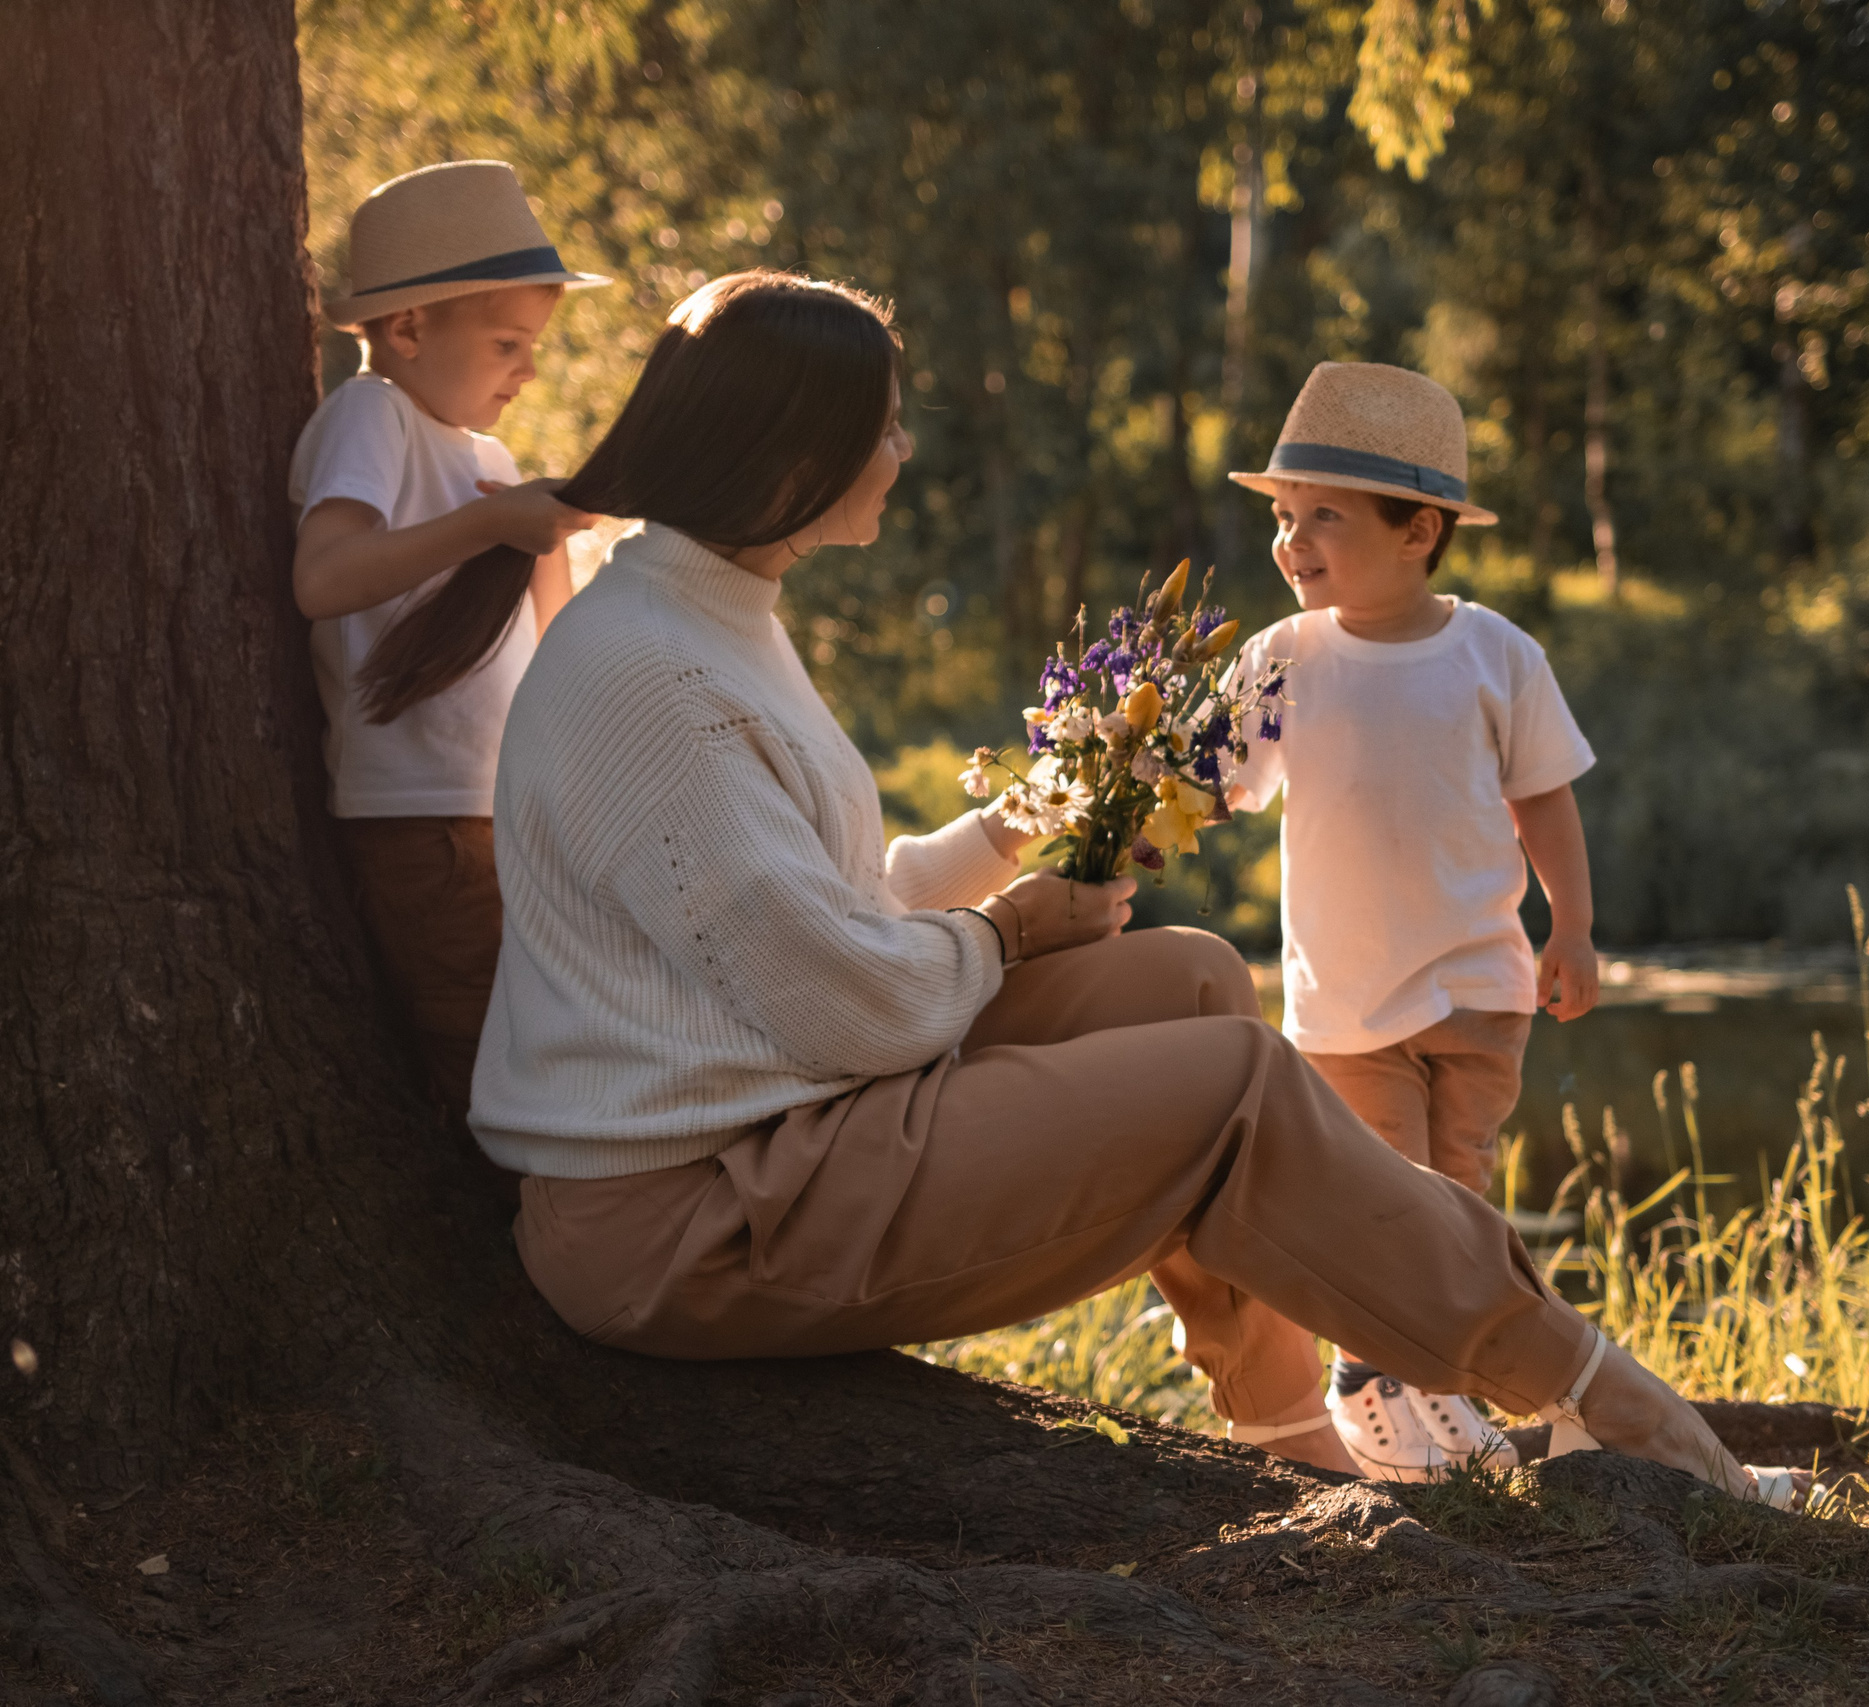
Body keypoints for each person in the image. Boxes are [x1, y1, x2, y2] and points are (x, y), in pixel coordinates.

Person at [469, 269, 1786, 1505]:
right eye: (886, 427)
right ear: (794, 453)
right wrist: (1004, 934)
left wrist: (1022, 827)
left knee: (1196, 977)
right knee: (1231, 1081)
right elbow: (835, 1003)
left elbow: (835, 902)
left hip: (770, 1132)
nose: (902, 453)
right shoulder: (655, 673)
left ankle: (1286, 1431)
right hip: (696, 1215)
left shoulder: (708, 611)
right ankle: (1601, 1397)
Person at [1222, 362, 1610, 1480]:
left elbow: (1544, 798)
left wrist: (1570, 929)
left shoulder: (1495, 654)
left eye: (1323, 517)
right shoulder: (1281, 659)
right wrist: (1124, 795)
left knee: (1457, 1201)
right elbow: (1209, 784)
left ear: (1419, 529)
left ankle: (1428, 1387)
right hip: (1344, 999)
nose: (1292, 542)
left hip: (1482, 988)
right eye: (1284, 519)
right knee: (1382, 1199)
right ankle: (1367, 1389)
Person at [290, 160, 608, 1113]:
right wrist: (489, 527)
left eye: (535, 344)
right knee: (474, 1028)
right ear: (409, 328)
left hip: (494, 806)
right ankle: (501, 1206)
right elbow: (324, 578)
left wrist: (543, 534)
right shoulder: (371, 416)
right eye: (509, 341)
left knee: (535, 1016)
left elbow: (541, 636)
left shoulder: (484, 459)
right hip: (414, 816)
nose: (531, 368)